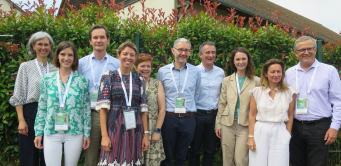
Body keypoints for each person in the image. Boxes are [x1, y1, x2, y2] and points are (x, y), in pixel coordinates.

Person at [285, 36, 341, 166]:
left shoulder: (329, 71)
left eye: (309, 48)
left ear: (315, 50)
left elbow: (338, 101)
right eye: (302, 50)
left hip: (320, 127)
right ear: (295, 53)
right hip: (295, 127)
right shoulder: (289, 73)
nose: (306, 52)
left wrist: (334, 127)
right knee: (296, 163)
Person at [33, 41, 91, 165]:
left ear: (74, 58)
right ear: (57, 56)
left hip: (74, 131)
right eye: (63, 54)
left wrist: (87, 133)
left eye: (70, 55)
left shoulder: (83, 81)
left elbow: (86, 109)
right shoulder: (47, 79)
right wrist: (38, 132)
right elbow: (42, 106)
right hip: (51, 131)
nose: (66, 58)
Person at [97, 41, 149, 166]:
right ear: (118, 55)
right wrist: (104, 135)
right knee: (112, 160)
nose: (128, 57)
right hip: (114, 128)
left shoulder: (139, 79)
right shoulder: (109, 76)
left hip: (135, 129)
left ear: (135, 58)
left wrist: (146, 135)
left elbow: (143, 110)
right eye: (125, 54)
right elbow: (103, 109)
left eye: (132, 55)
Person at [9, 31, 57, 166]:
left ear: (51, 47)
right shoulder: (25, 67)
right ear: (33, 46)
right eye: (40, 44)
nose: (43, 47)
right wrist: (21, 120)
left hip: (51, 113)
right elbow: (19, 95)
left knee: (49, 155)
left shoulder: (56, 68)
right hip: (30, 113)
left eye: (46, 44)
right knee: (29, 155)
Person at [78, 25, 121, 166]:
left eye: (102, 37)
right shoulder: (81, 63)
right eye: (95, 37)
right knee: (90, 156)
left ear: (108, 40)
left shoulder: (117, 63)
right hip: (91, 113)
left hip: (112, 113)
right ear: (90, 41)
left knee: (113, 153)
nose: (99, 40)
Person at [157, 38, 201, 166]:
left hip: (188, 119)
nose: (183, 53)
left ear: (190, 52)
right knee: (167, 156)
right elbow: (160, 95)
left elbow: (196, 94)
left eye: (186, 50)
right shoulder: (162, 71)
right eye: (180, 49)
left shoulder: (196, 72)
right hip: (169, 118)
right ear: (173, 50)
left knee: (182, 157)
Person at [215, 47, 260, 166]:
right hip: (227, 124)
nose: (241, 62)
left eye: (243, 59)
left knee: (241, 160)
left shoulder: (257, 81)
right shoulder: (227, 80)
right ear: (234, 62)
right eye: (238, 59)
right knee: (227, 159)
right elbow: (222, 103)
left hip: (246, 125)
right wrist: (218, 124)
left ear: (248, 60)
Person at [247, 59, 297, 166]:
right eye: (272, 72)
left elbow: (290, 115)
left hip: (280, 130)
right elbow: (252, 115)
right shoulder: (256, 92)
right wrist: (251, 137)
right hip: (260, 130)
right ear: (265, 73)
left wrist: (287, 134)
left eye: (279, 71)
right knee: (257, 163)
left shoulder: (289, 92)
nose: (276, 75)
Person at [189, 41, 224, 166]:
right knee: (195, 150)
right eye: (207, 52)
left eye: (213, 52)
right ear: (200, 55)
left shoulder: (220, 72)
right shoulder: (193, 71)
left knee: (210, 151)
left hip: (214, 116)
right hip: (197, 115)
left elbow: (222, 95)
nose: (210, 55)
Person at [135, 53, 166, 166]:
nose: (145, 69)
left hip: (153, 128)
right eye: (142, 66)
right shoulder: (131, 83)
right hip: (135, 129)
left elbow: (162, 109)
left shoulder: (157, 84)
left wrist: (157, 131)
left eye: (148, 66)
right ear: (136, 67)